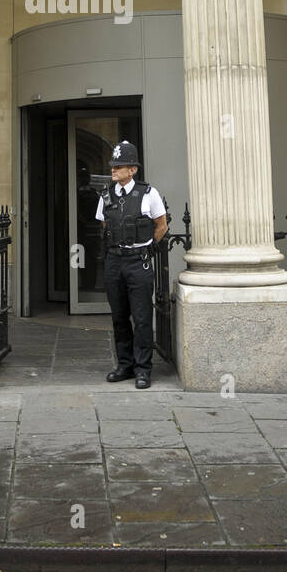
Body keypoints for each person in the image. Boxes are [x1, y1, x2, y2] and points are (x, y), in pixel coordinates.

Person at [96, 140, 168, 389]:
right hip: (115, 261)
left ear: (133, 169)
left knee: (142, 317)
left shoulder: (149, 194)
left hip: (138, 262)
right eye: (113, 166)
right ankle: (125, 365)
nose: (114, 170)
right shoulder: (105, 195)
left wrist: (147, 248)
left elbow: (162, 225)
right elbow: (105, 226)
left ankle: (143, 369)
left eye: (120, 166)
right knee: (119, 316)